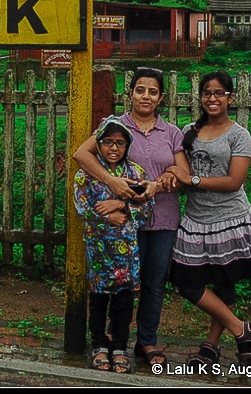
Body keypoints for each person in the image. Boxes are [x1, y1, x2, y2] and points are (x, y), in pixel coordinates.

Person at [73, 67, 189, 366]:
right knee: (117, 284)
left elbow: (183, 174)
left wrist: (164, 180)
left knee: (153, 282)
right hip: (120, 225)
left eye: (152, 91)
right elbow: (82, 156)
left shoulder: (172, 132)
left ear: (161, 97)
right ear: (131, 92)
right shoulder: (114, 126)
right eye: (140, 89)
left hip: (161, 216)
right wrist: (111, 183)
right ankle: (112, 340)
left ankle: (147, 342)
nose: (146, 96)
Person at [165, 70, 251, 368]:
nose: (212, 98)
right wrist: (172, 177)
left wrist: (192, 179)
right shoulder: (188, 131)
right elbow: (179, 171)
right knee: (184, 281)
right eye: (207, 93)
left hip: (229, 218)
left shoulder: (239, 135)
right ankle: (241, 329)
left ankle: (211, 346)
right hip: (195, 219)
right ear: (201, 97)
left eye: (219, 93)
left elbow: (234, 181)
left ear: (230, 98)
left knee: (224, 282)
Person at [73, 116, 157, 373]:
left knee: (123, 301)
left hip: (127, 254)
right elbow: (82, 207)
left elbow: (147, 208)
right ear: (98, 144)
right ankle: (98, 345)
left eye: (119, 143)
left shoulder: (135, 173)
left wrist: (122, 206)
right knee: (98, 300)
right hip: (99, 250)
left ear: (127, 145)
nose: (113, 148)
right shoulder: (85, 175)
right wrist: (106, 216)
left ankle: (119, 347)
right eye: (107, 141)